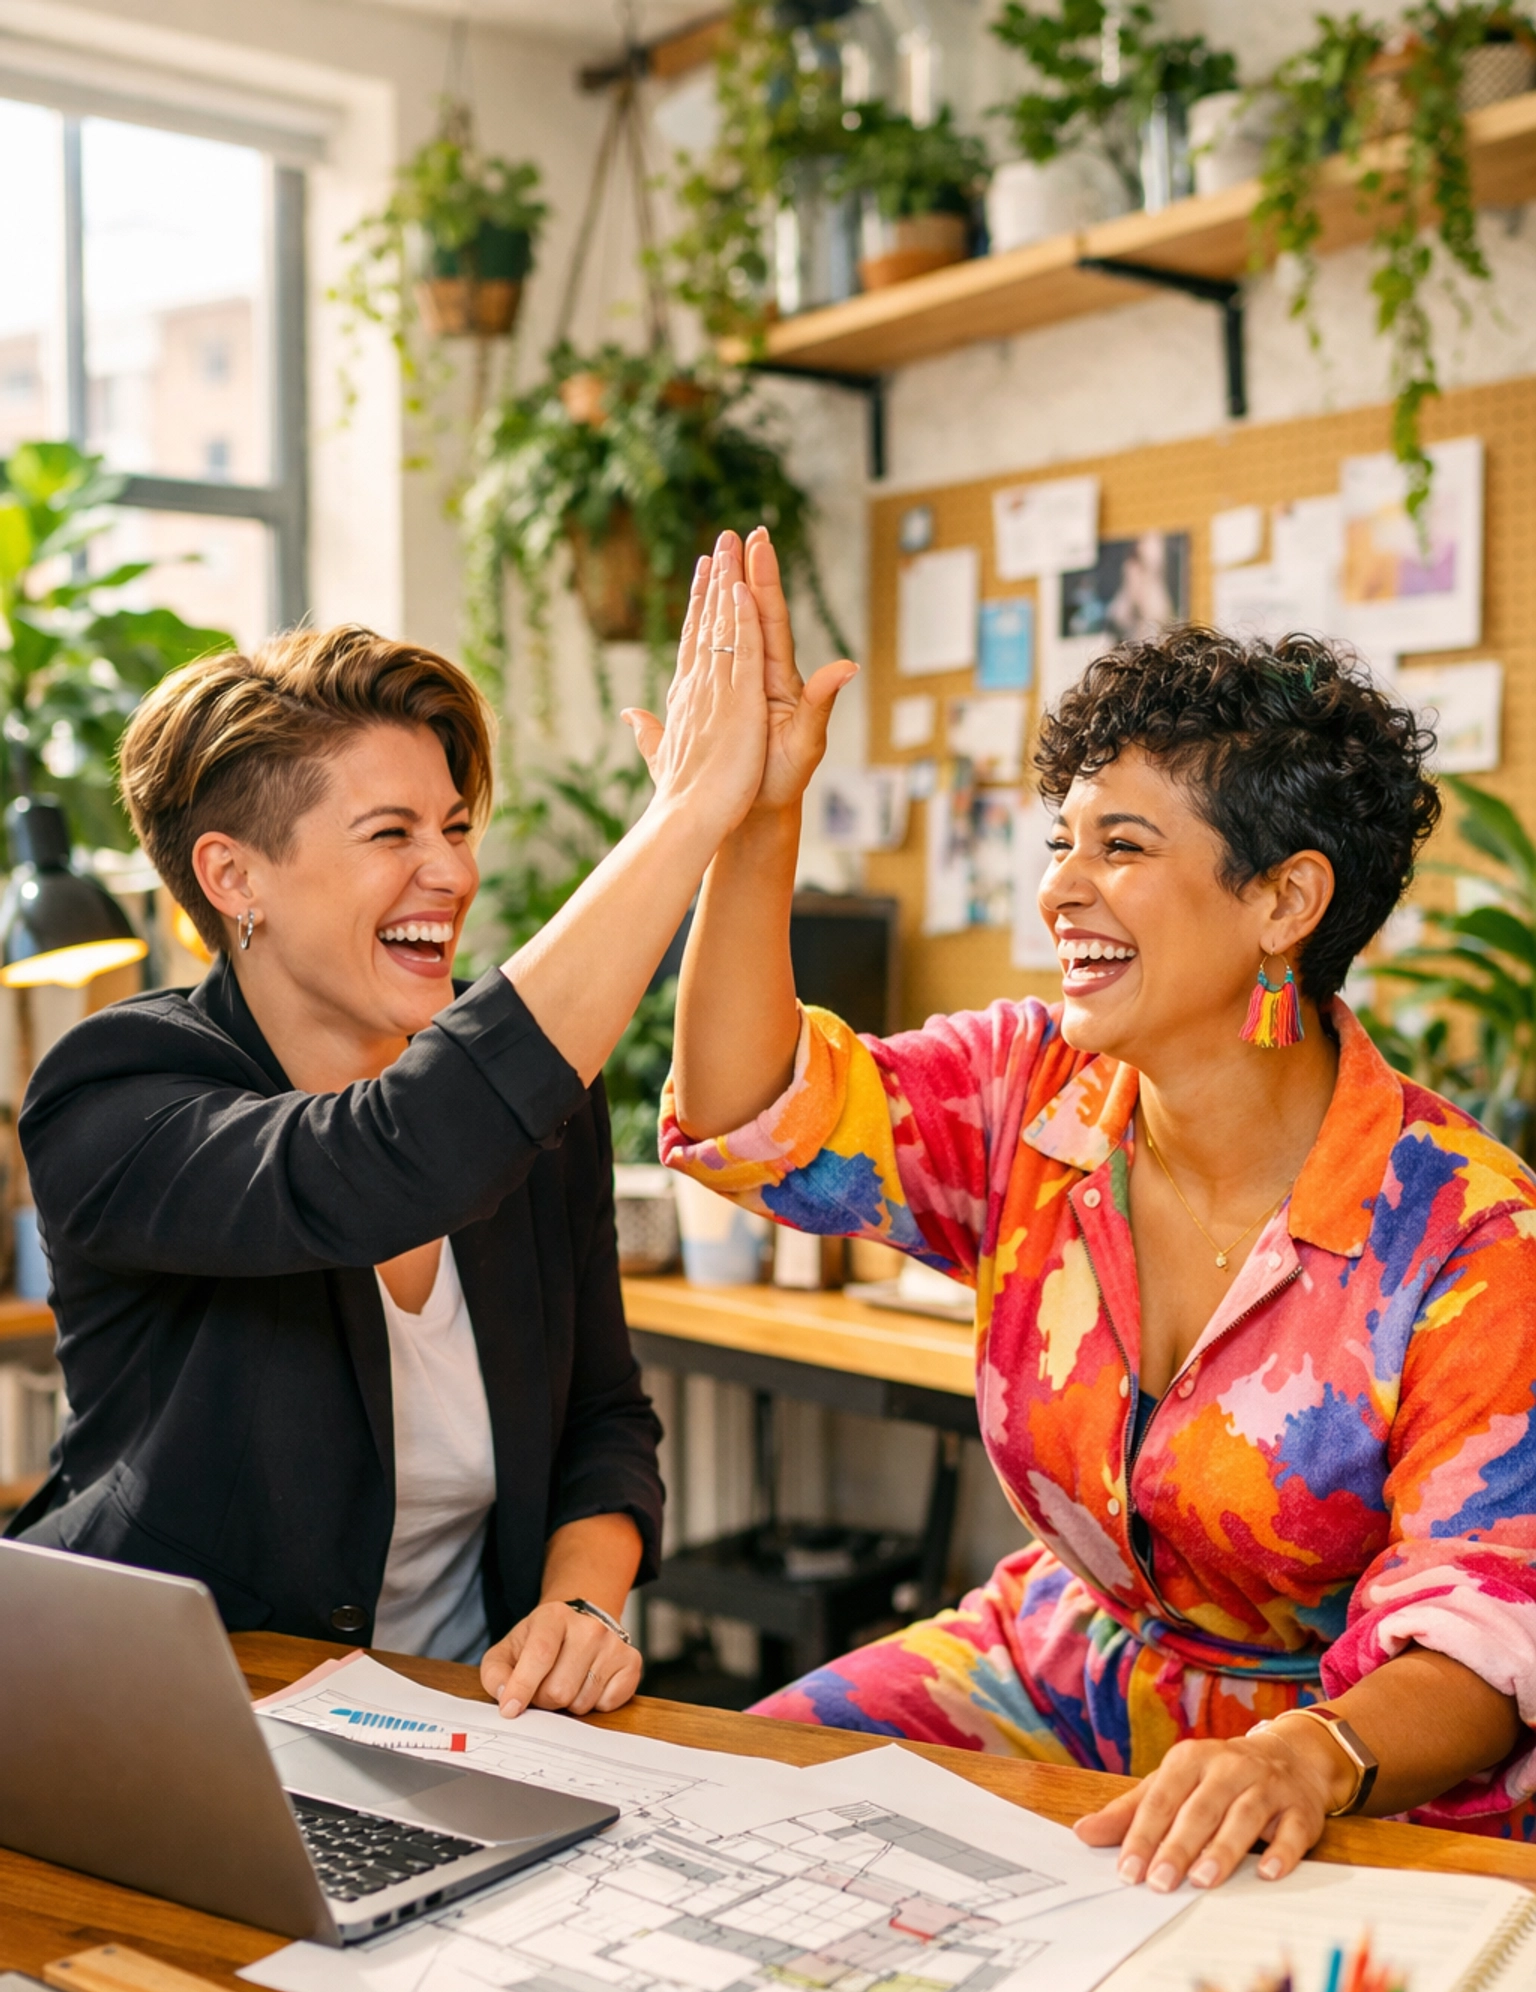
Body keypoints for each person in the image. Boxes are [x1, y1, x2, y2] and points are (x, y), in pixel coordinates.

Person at [658, 528, 1536, 1889]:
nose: (1060, 885)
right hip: (1057, 1672)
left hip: (1351, 1762)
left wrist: (1304, 1757)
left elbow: (1489, 1627)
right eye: (1062, 841)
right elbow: (750, 1117)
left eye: (1121, 846)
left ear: (1285, 901)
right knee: (722, 1823)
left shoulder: (1472, 1234)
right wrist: (754, 824)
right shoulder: (1033, 1089)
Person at [10, 558, 775, 1723]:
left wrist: (583, 1603)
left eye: (457, 827)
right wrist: (682, 821)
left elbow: (602, 1419)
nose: (454, 872)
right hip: (170, 1725)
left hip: (472, 1727)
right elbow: (374, 1166)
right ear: (233, 877)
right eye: (391, 833)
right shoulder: (115, 1093)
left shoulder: (528, 1109)